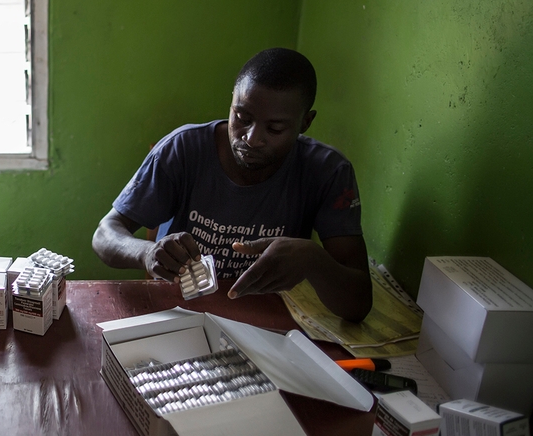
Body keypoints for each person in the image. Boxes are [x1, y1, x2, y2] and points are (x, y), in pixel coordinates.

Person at [92, 48, 372, 322]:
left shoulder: (327, 172)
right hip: (183, 315)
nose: (251, 138)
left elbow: (357, 305)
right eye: (242, 118)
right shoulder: (184, 150)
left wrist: (314, 260)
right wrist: (147, 252)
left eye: (274, 129)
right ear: (231, 103)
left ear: (305, 123)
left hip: (267, 324)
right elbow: (105, 234)